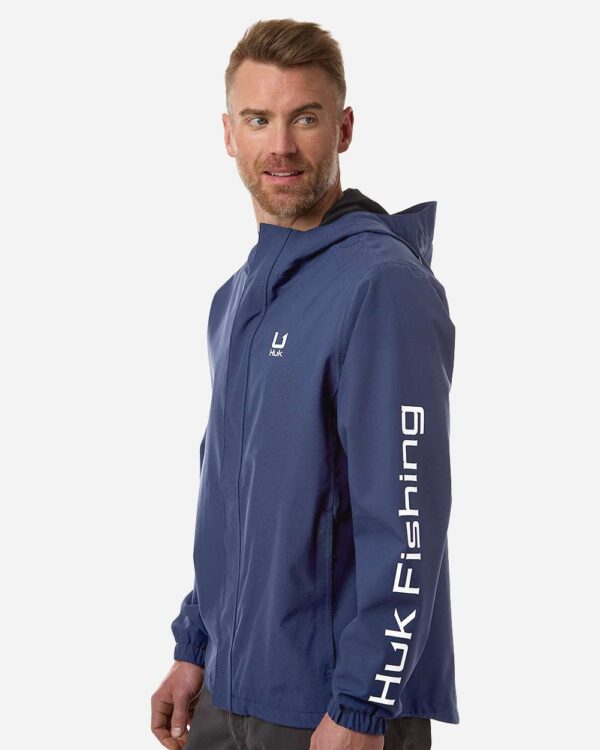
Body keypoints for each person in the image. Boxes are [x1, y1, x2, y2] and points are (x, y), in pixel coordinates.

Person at [151, 18, 459, 750]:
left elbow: (408, 518)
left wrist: (362, 705)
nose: (281, 146)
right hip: (228, 694)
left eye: (306, 118)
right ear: (229, 134)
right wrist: (195, 643)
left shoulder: (382, 286)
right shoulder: (236, 298)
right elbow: (230, 497)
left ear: (344, 128)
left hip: (333, 711)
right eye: (259, 119)